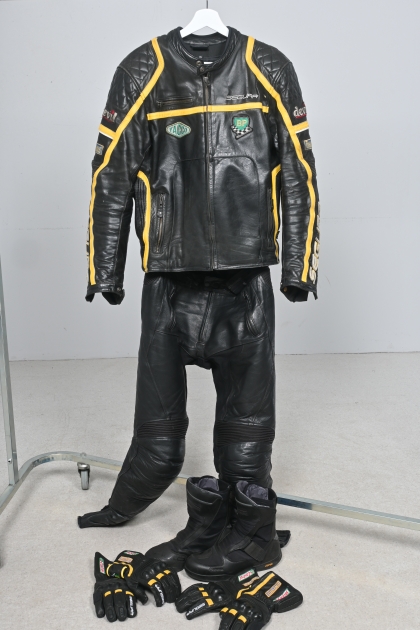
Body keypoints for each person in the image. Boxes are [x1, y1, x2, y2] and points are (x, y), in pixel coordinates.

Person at [78, 26, 319, 576]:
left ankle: (246, 531)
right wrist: (104, 269)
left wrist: (299, 267)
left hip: (245, 286)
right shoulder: (142, 69)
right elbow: (111, 172)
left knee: (247, 441)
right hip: (170, 285)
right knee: (158, 444)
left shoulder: (268, 66)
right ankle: (149, 512)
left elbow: (299, 171)